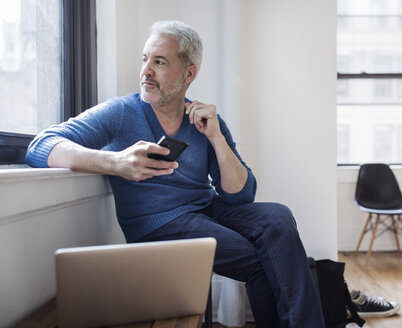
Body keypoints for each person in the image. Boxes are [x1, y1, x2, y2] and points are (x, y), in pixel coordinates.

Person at [26, 20, 325, 328]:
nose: (146, 71)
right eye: (145, 60)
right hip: (158, 223)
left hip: (206, 210)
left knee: (278, 216)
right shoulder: (120, 112)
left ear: (188, 74)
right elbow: (40, 146)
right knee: (262, 261)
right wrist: (115, 162)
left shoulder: (205, 120)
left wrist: (216, 138)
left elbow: (241, 196)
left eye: (159, 62)